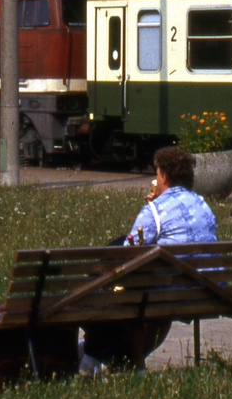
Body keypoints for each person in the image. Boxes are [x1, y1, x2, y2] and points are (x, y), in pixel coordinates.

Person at [79, 146, 216, 376]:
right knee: (118, 247)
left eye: (157, 173)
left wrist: (152, 208)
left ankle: (93, 356)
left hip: (164, 293)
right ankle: (104, 355)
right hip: (203, 290)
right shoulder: (203, 205)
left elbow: (124, 257)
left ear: (163, 176)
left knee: (103, 281)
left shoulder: (154, 210)